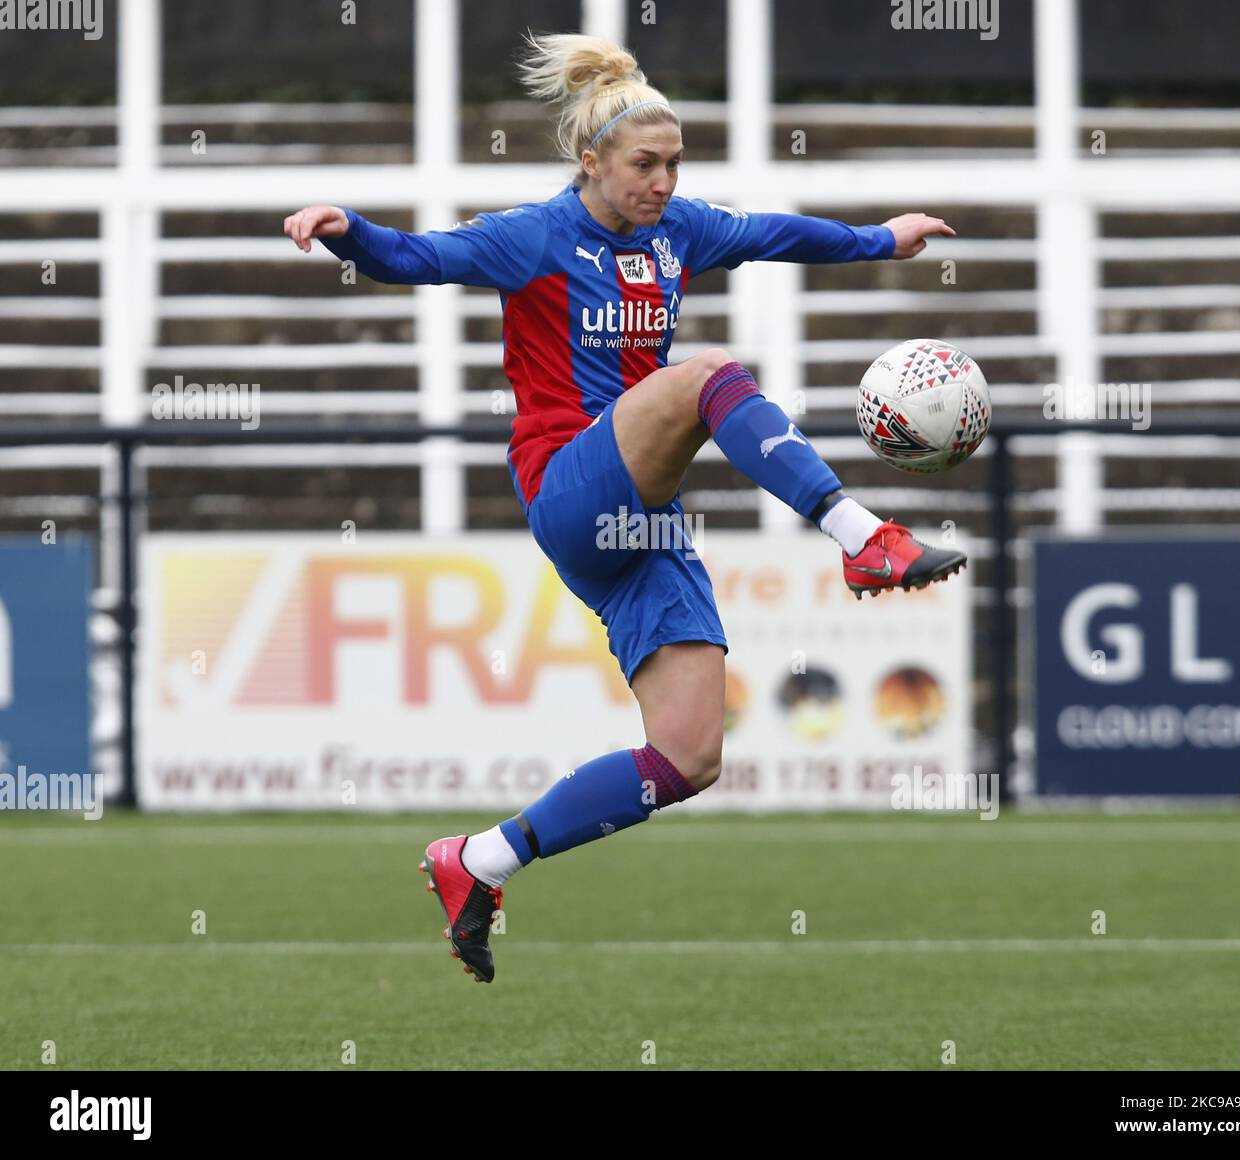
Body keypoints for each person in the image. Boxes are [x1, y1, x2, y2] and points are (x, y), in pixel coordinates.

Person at [283, 32, 964, 984]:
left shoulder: (679, 229)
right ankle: (862, 537)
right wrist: (345, 227)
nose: (663, 181)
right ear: (589, 162)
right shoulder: (533, 237)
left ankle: (480, 860)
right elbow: (417, 257)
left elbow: (776, 233)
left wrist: (881, 241)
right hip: (568, 482)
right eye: (645, 165)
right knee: (710, 374)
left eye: (675, 164)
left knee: (687, 758)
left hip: (641, 519)